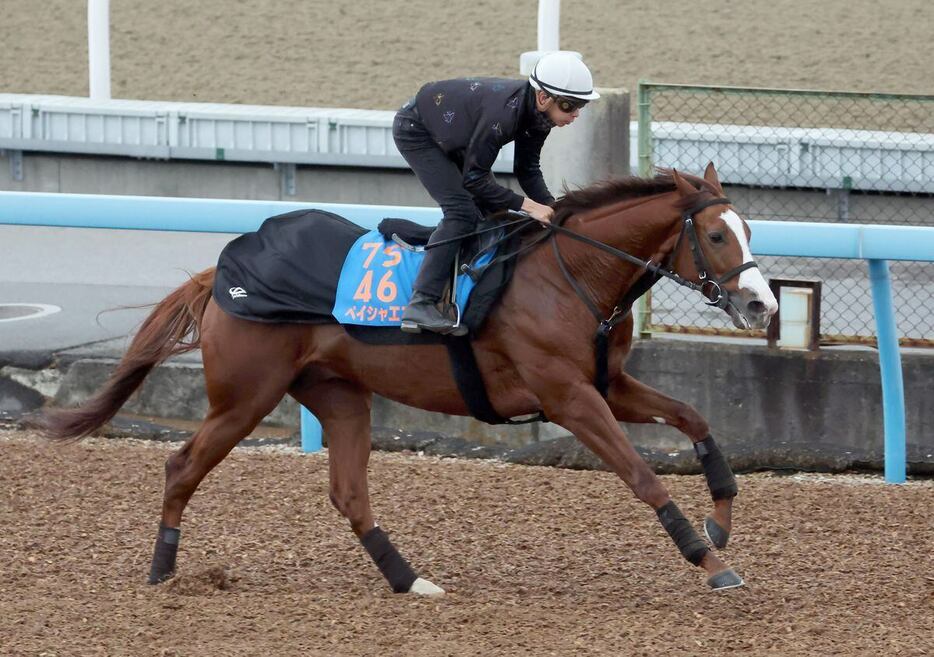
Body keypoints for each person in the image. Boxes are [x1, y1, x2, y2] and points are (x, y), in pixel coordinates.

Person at [393, 51, 600, 334]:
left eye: (581, 106)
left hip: (456, 133)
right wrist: (529, 206)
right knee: (462, 212)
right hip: (418, 130)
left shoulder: (539, 116)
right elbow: (474, 180)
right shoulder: (503, 115)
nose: (575, 114)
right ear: (543, 97)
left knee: (493, 214)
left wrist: (554, 207)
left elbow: (527, 169)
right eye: (569, 105)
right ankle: (420, 304)